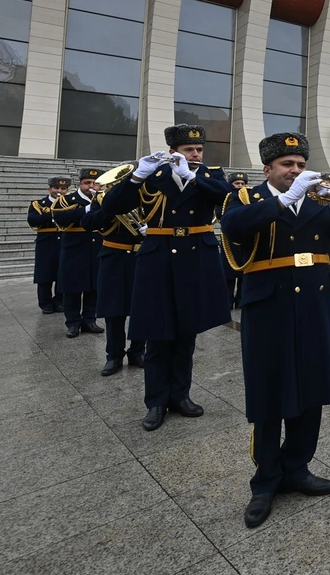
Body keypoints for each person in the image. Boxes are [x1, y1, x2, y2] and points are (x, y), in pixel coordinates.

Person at [219, 132, 330, 529]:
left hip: (314, 303)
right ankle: (265, 481)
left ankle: (297, 466)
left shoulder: (317, 201)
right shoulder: (246, 198)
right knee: (269, 390)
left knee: (311, 386)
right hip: (270, 305)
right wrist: (284, 199)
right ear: (268, 169)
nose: (295, 171)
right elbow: (233, 228)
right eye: (287, 165)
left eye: (300, 165)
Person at [101, 124, 232, 431]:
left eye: (199, 150)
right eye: (189, 150)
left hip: (196, 257)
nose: (196, 154)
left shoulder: (210, 175)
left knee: (187, 333)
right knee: (158, 335)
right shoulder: (153, 177)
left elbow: (227, 200)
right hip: (158, 258)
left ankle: (181, 395)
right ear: (174, 151)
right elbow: (111, 206)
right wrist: (135, 176)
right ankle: (156, 401)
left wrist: (193, 176)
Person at [82, 186, 145, 375]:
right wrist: (111, 208)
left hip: (142, 257)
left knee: (141, 308)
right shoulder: (102, 200)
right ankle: (114, 355)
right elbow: (88, 222)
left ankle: (137, 351)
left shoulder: (148, 196)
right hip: (114, 257)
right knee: (113, 310)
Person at [52, 168, 104, 338]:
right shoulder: (68, 199)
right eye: (87, 183)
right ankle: (73, 323)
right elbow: (60, 218)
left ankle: (90, 320)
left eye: (95, 183)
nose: (91, 186)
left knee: (93, 287)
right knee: (72, 288)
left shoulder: (105, 199)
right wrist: (87, 209)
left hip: (96, 246)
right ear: (80, 184)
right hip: (74, 248)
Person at [29, 176, 68, 315]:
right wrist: (53, 213)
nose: (59, 191)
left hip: (64, 241)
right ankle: (45, 303)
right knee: (44, 274)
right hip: (46, 242)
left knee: (62, 273)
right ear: (49, 189)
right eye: (56, 188)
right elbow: (33, 220)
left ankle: (60, 301)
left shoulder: (69, 203)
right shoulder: (38, 204)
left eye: (63, 188)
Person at [224, 172, 249, 309]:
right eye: (237, 183)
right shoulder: (226, 198)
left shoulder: (248, 198)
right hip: (229, 241)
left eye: (242, 183)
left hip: (243, 240)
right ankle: (227, 301)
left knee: (243, 274)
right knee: (228, 274)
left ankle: (240, 300)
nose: (240, 186)